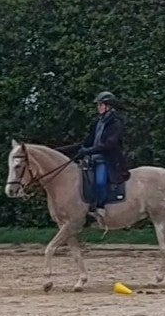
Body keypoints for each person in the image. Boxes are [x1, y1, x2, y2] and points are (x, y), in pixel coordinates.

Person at [56, 91, 130, 224]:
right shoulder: (98, 122)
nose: (98, 107)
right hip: (93, 158)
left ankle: (100, 207)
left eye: (100, 104)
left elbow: (109, 144)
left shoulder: (116, 123)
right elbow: (86, 142)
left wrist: (88, 151)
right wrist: (63, 150)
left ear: (108, 106)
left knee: (100, 181)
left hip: (108, 159)